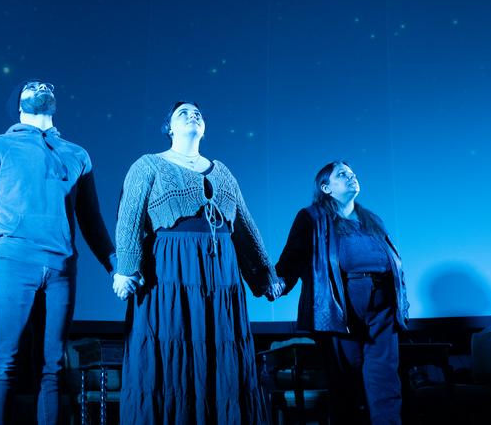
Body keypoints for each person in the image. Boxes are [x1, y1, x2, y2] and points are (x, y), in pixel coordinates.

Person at [0, 80, 116, 425]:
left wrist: (116, 267)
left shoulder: (77, 154)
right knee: (4, 362)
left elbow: (91, 220)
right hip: (13, 263)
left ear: (55, 103)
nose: (41, 86)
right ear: (20, 106)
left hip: (61, 270)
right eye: (32, 86)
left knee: (53, 366)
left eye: (47, 85)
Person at [112, 101, 282, 425]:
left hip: (220, 275)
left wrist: (265, 276)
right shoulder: (149, 165)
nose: (193, 116)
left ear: (204, 128)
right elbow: (129, 218)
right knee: (171, 349)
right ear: (170, 128)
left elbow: (245, 225)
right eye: (183, 113)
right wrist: (126, 268)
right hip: (170, 271)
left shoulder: (223, 171)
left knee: (219, 352)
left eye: (198, 114)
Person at [274, 161, 409, 425]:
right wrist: (276, 284)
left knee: (385, 381)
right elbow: (292, 257)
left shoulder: (372, 219)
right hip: (340, 306)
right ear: (326, 188)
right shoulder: (311, 217)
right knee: (347, 384)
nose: (351, 176)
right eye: (342, 174)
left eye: (352, 173)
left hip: (383, 307)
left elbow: (394, 261)